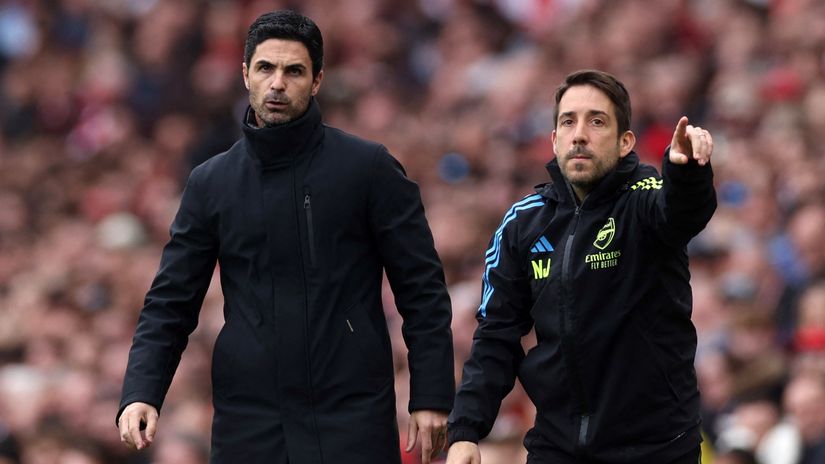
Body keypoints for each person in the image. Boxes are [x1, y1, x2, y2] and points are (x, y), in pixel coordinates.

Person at [117, 10, 454, 464]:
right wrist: (141, 390)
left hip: (352, 416)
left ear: (317, 81)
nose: (277, 83)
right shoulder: (211, 182)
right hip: (249, 422)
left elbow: (422, 289)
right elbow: (171, 302)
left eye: (294, 71)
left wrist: (431, 394)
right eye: (265, 68)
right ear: (245, 75)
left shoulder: (369, 169)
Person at [446, 69, 717, 463]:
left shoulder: (644, 200)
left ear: (625, 142)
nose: (579, 135)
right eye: (568, 122)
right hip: (558, 446)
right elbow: (496, 335)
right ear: (554, 139)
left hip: (657, 447)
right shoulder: (523, 223)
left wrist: (687, 172)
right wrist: (466, 431)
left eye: (597, 121)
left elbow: (682, 213)